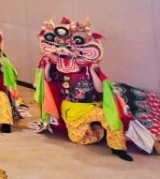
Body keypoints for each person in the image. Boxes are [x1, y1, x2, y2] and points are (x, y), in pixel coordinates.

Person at [35, 17, 133, 161]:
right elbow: (48, 79)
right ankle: (100, 132)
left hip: (90, 107)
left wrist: (93, 71)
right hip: (71, 110)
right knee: (78, 139)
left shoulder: (87, 71)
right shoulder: (59, 72)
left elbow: (99, 90)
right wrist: (48, 64)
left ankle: (117, 147)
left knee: (111, 119)